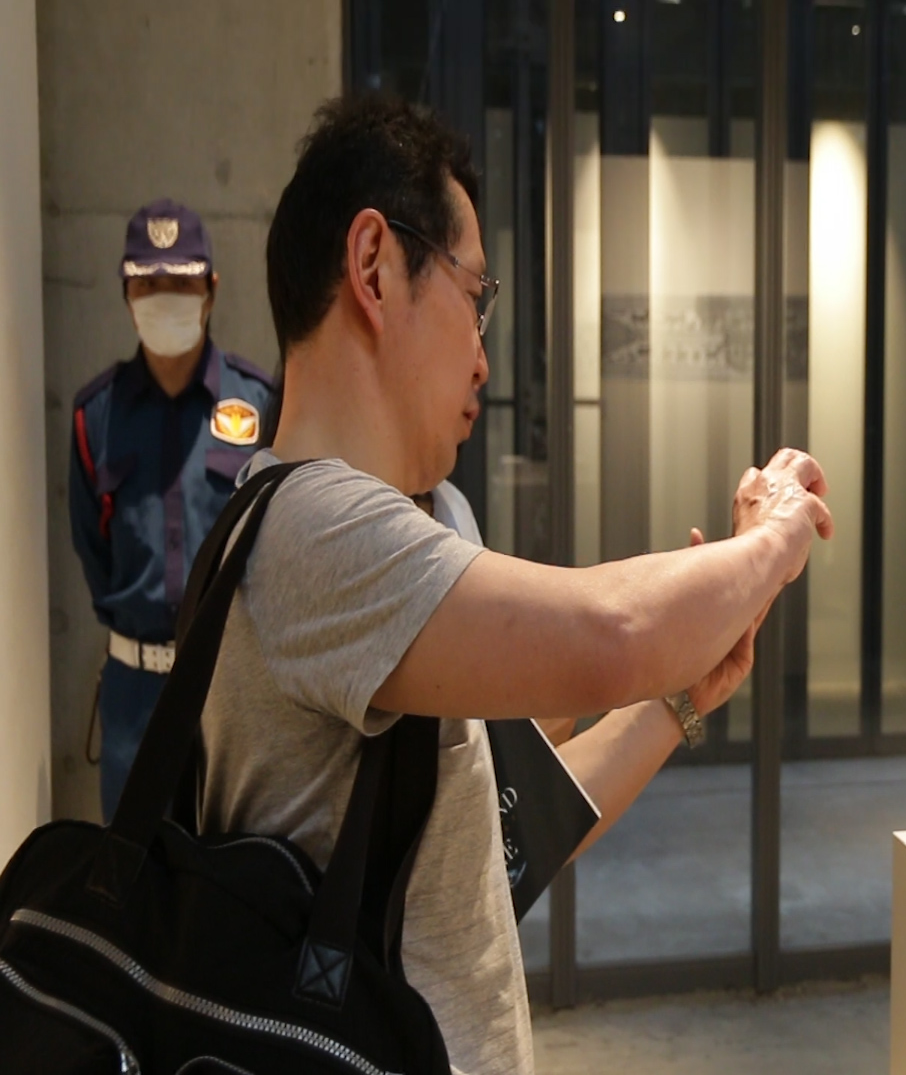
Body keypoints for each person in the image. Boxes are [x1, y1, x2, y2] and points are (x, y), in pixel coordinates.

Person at [201, 93, 831, 1075]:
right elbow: (616, 633)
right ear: (374, 267)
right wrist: (779, 534)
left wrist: (677, 701)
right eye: (475, 297)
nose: (484, 359)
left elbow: (504, 823)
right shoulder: (311, 529)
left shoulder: (403, 520)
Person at [69, 198, 274, 821]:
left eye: (182, 283)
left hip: (231, 687)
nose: (166, 298)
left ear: (211, 290)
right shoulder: (95, 416)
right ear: (126, 294)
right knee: (133, 872)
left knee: (232, 860)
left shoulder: (258, 403)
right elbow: (94, 552)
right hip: (133, 697)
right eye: (149, 284)